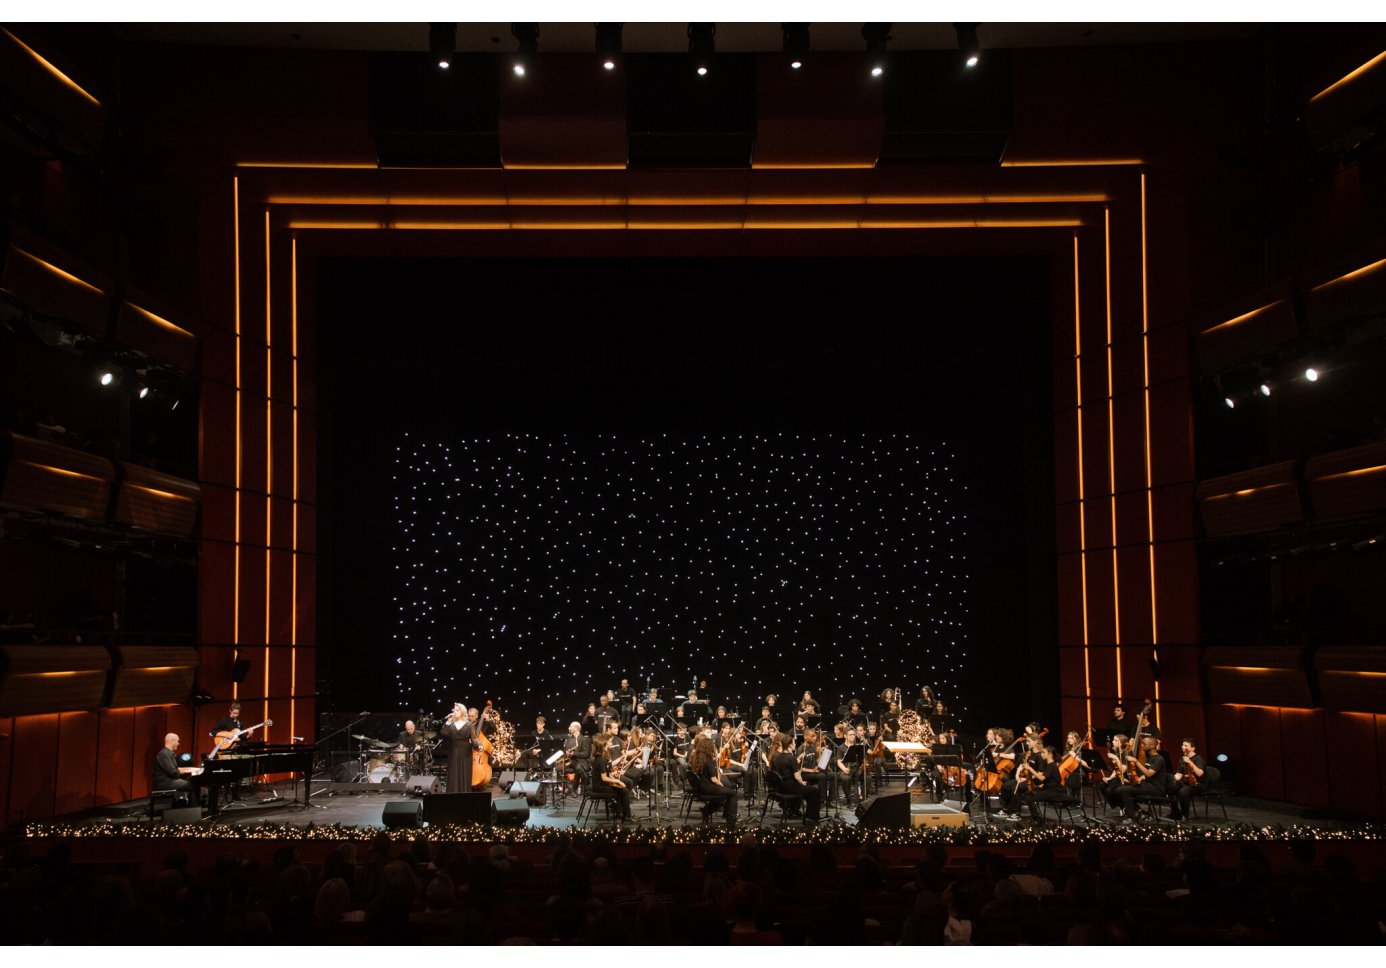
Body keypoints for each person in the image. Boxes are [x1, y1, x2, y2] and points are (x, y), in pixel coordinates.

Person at [687, 733, 738, 825]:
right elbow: (714, 779)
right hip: (707, 787)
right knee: (733, 793)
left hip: (699, 787)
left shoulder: (696, 757)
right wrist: (722, 786)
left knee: (723, 795)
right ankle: (731, 820)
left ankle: (706, 811)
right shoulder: (708, 759)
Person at [771, 732, 821, 822]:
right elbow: (797, 776)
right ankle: (812, 816)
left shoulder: (777, 757)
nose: (795, 745)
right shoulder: (791, 758)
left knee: (808, 786)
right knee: (814, 790)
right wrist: (802, 782)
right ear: (790, 745)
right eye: (794, 743)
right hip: (789, 787)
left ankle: (793, 810)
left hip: (780, 787)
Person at [1167, 738, 1208, 820]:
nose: (1183, 747)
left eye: (1186, 745)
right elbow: (1179, 775)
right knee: (1171, 788)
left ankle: (1184, 815)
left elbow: (1200, 774)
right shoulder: (1182, 759)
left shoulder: (1198, 758)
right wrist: (1171, 780)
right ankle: (1175, 812)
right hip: (1187, 783)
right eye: (1182, 745)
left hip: (1199, 785)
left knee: (1183, 791)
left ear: (1192, 748)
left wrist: (1190, 762)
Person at [153, 733, 197, 802]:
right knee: (192, 784)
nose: (178, 743)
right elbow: (174, 772)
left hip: (169, 780)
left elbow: (176, 769)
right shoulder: (165, 754)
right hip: (165, 783)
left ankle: (191, 806)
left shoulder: (169, 753)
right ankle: (194, 807)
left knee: (191, 782)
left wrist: (191, 769)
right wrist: (188, 771)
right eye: (177, 741)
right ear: (172, 741)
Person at [441, 702, 474, 794]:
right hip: (453, 750)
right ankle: (453, 794)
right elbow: (444, 734)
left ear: (462, 711)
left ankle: (464, 794)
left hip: (465, 752)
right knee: (454, 773)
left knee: (464, 773)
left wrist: (479, 745)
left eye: (457, 709)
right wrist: (448, 721)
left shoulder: (469, 724)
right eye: (454, 710)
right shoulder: (451, 724)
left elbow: (474, 738)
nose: (455, 711)